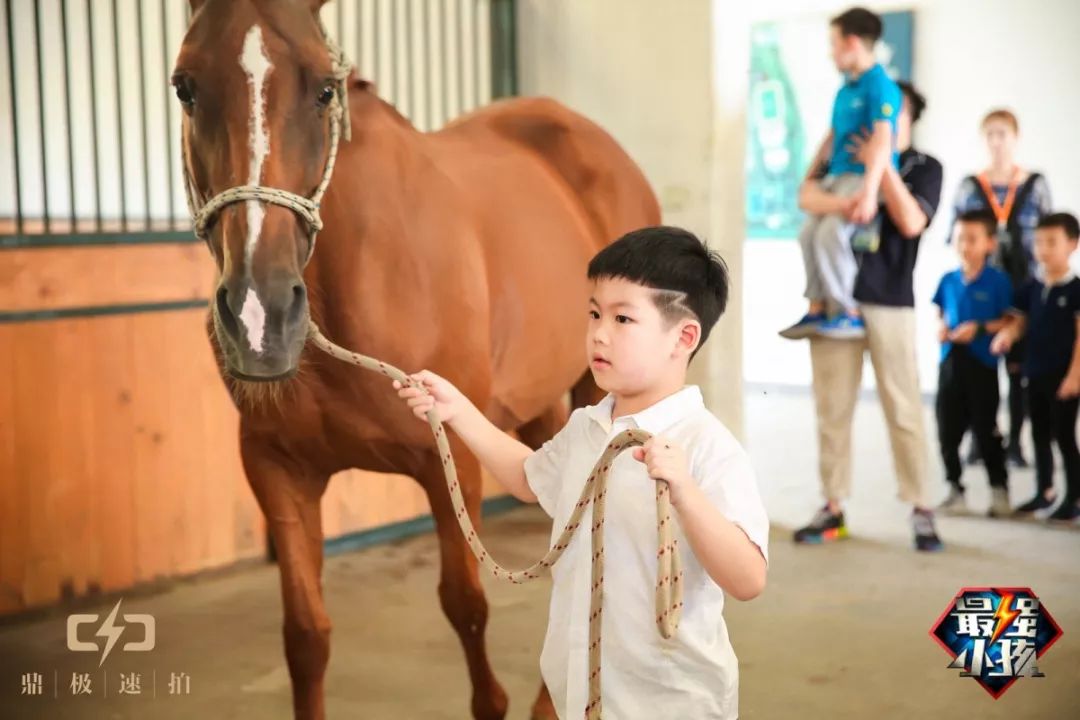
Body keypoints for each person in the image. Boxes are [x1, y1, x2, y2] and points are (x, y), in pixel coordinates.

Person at [394, 227, 769, 719]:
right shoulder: (589, 427)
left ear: (684, 337)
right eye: (594, 313)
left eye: (623, 318)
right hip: (580, 691)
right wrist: (457, 409)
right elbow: (529, 479)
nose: (599, 332)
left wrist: (685, 492)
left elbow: (748, 579)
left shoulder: (705, 447)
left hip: (671, 703)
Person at [791, 80, 946, 552]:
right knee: (831, 408)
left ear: (909, 118)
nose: (879, 123)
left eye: (892, 116)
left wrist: (882, 167)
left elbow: (912, 221)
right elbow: (806, 196)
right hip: (838, 309)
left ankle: (921, 508)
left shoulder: (925, 167)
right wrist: (851, 170)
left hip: (889, 303)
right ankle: (832, 506)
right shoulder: (838, 158)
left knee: (903, 409)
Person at [780, 7, 900, 341]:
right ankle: (816, 308)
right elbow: (831, 139)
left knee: (830, 232)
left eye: (833, 43)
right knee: (807, 234)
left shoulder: (881, 86)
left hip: (861, 178)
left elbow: (882, 139)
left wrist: (869, 192)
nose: (830, 52)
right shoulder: (845, 90)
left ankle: (848, 312)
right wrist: (810, 176)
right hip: (836, 176)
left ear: (851, 42)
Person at [952, 109, 1052, 468]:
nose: (996, 142)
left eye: (1003, 134)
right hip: (982, 291)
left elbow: (1047, 237)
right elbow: (958, 236)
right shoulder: (970, 186)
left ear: (1015, 137)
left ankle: (1014, 444)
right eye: (990, 134)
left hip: (1022, 289)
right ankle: (982, 438)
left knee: (1018, 370)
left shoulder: (1034, 184)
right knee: (979, 371)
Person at [992, 212, 1080, 522]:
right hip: (1035, 371)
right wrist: (1006, 335)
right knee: (1039, 434)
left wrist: (1074, 376)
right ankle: (1045, 491)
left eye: (1051, 242)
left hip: (1064, 377)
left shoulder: (1075, 290)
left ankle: (1074, 497)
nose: (1043, 249)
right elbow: (1019, 323)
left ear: (1072, 244)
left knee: (1065, 437)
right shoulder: (1032, 286)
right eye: (1038, 242)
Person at [933, 210, 1013, 517]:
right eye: (959, 238)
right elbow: (940, 311)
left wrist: (980, 328)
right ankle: (954, 488)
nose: (964, 245)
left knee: (986, 430)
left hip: (982, 365)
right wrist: (941, 328)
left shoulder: (998, 281)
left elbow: (1008, 320)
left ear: (989, 243)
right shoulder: (948, 280)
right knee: (946, 428)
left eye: (972, 239)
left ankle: (999, 490)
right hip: (950, 362)